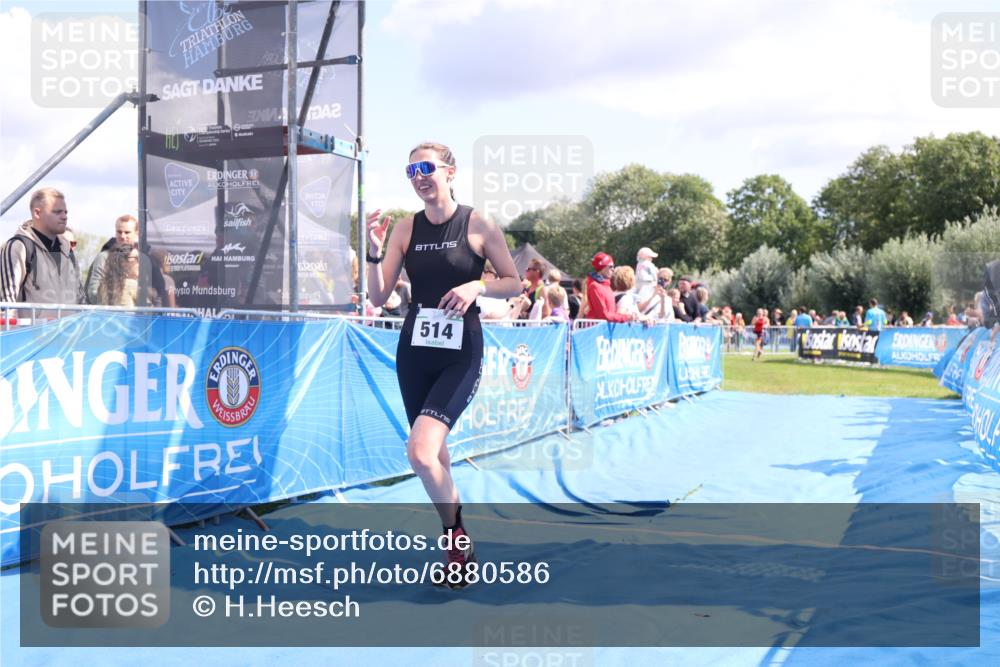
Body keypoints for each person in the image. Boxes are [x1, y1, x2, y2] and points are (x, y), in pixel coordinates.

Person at [365, 142, 521, 588]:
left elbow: (511, 282)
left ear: (450, 172)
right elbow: (378, 297)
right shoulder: (403, 228)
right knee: (438, 456)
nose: (419, 176)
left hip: (460, 353)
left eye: (426, 168)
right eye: (411, 169)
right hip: (415, 352)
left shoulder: (478, 223)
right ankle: (458, 545)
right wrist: (375, 250)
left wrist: (476, 285)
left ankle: (457, 541)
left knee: (419, 452)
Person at [0, 187, 83, 316]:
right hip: (32, 334)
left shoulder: (68, 249)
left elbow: (81, 298)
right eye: (57, 212)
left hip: (69, 334)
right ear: (37, 213)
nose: (64, 217)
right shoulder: (19, 247)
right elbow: (7, 304)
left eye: (65, 212)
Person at [86, 214, 164, 306]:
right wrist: (118, 292)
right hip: (110, 315)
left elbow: (158, 291)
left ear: (136, 233)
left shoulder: (145, 260)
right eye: (119, 232)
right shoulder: (103, 257)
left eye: (127, 232)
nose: (122, 236)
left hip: (141, 316)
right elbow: (92, 292)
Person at [586, 252, 642, 323]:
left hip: (605, 328)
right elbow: (604, 315)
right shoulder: (595, 286)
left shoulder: (606, 285)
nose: (613, 269)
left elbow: (610, 314)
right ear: (602, 267)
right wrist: (626, 317)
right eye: (610, 266)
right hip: (597, 330)